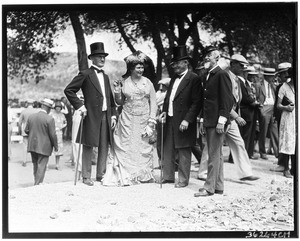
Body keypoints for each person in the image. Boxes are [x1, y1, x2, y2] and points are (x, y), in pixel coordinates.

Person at [64, 42, 117, 186]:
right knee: (88, 145)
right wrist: (80, 106)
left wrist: (113, 115)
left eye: (103, 56)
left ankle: (101, 175)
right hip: (91, 115)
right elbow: (69, 90)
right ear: (92, 58)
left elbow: (109, 98)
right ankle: (86, 176)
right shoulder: (85, 74)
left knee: (104, 145)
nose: (102, 59)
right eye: (99, 56)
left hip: (106, 115)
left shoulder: (105, 77)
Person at [102, 53, 157, 186]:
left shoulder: (147, 82)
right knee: (126, 146)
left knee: (142, 147)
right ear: (131, 69)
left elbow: (153, 102)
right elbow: (120, 102)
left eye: (142, 68)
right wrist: (117, 91)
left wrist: (151, 121)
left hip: (143, 119)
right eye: (138, 68)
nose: (140, 70)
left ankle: (142, 176)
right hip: (127, 119)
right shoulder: (124, 82)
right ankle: (127, 175)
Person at [159, 45, 202, 188]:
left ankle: (183, 180)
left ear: (186, 63)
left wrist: (187, 120)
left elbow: (197, 102)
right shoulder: (173, 79)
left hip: (184, 120)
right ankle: (168, 176)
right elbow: (168, 98)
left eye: (178, 63)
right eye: (174, 63)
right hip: (170, 118)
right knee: (168, 148)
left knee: (184, 149)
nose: (175, 66)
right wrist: (164, 110)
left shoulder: (193, 78)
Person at [194, 46, 233, 197]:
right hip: (210, 120)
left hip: (217, 121)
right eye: (205, 56)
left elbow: (227, 100)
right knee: (217, 155)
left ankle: (209, 187)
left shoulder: (221, 74)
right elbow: (207, 102)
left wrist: (221, 121)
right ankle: (218, 186)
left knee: (213, 154)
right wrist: (204, 121)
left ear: (217, 58)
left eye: (209, 56)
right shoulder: (209, 75)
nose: (206, 58)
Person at [24, 98, 58, 185]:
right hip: (44, 147)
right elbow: (53, 135)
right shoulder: (50, 119)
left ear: (42, 106)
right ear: (49, 108)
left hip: (32, 145)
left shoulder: (31, 116)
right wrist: (56, 146)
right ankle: (38, 185)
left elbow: (26, 130)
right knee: (41, 166)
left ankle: (36, 182)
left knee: (35, 165)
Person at [270, 62, 291, 172]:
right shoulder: (280, 87)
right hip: (281, 115)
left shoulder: (290, 86)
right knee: (282, 139)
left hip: (290, 116)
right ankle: (282, 162)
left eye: (283, 74)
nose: (281, 77)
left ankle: (285, 164)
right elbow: (276, 104)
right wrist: (274, 114)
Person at [255, 68, 279, 160]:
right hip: (264, 108)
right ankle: (262, 152)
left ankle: (277, 153)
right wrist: (260, 108)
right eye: (271, 76)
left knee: (275, 131)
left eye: (273, 76)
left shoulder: (273, 85)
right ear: (266, 76)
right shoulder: (258, 85)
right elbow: (256, 98)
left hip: (273, 108)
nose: (273, 78)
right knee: (263, 132)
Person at [277, 67, 296, 178]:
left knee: (296, 142)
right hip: (288, 117)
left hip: (296, 117)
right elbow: (278, 105)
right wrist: (286, 107)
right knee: (287, 141)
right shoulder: (284, 87)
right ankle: (286, 168)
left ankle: (295, 168)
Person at [18, 99, 39, 167]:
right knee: (35, 145)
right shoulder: (36, 111)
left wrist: (19, 130)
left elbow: (19, 122)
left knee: (25, 145)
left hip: (25, 130)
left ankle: (24, 161)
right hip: (34, 130)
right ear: (33, 104)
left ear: (27, 104)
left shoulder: (24, 111)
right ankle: (35, 160)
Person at [155, 78, 171, 166]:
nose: (161, 87)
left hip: (167, 117)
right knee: (159, 141)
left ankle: (171, 162)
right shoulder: (158, 94)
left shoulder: (167, 94)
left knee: (166, 141)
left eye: (163, 85)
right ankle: (161, 161)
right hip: (159, 117)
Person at [50, 101, 67, 170]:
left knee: (58, 149)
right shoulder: (51, 114)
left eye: (59, 108)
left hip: (59, 133)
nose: (58, 109)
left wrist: (64, 131)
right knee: (49, 148)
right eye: (57, 107)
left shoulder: (62, 115)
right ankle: (46, 165)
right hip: (52, 132)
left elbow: (65, 123)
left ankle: (57, 164)